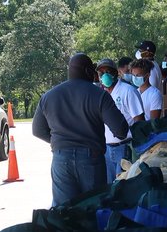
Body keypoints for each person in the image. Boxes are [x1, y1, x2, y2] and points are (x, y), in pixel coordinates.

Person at [32, 53, 129, 206]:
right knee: (92, 208)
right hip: (91, 160)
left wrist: (61, 143)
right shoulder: (99, 95)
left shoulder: (49, 96)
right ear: (87, 71)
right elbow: (121, 131)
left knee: (63, 211)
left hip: (61, 159)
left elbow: (37, 130)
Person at [96, 57, 144, 181]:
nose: (105, 75)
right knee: (108, 185)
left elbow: (140, 121)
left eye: (108, 71)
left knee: (123, 185)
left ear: (116, 73)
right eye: (101, 73)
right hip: (106, 149)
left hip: (124, 148)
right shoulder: (100, 94)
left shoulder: (128, 91)